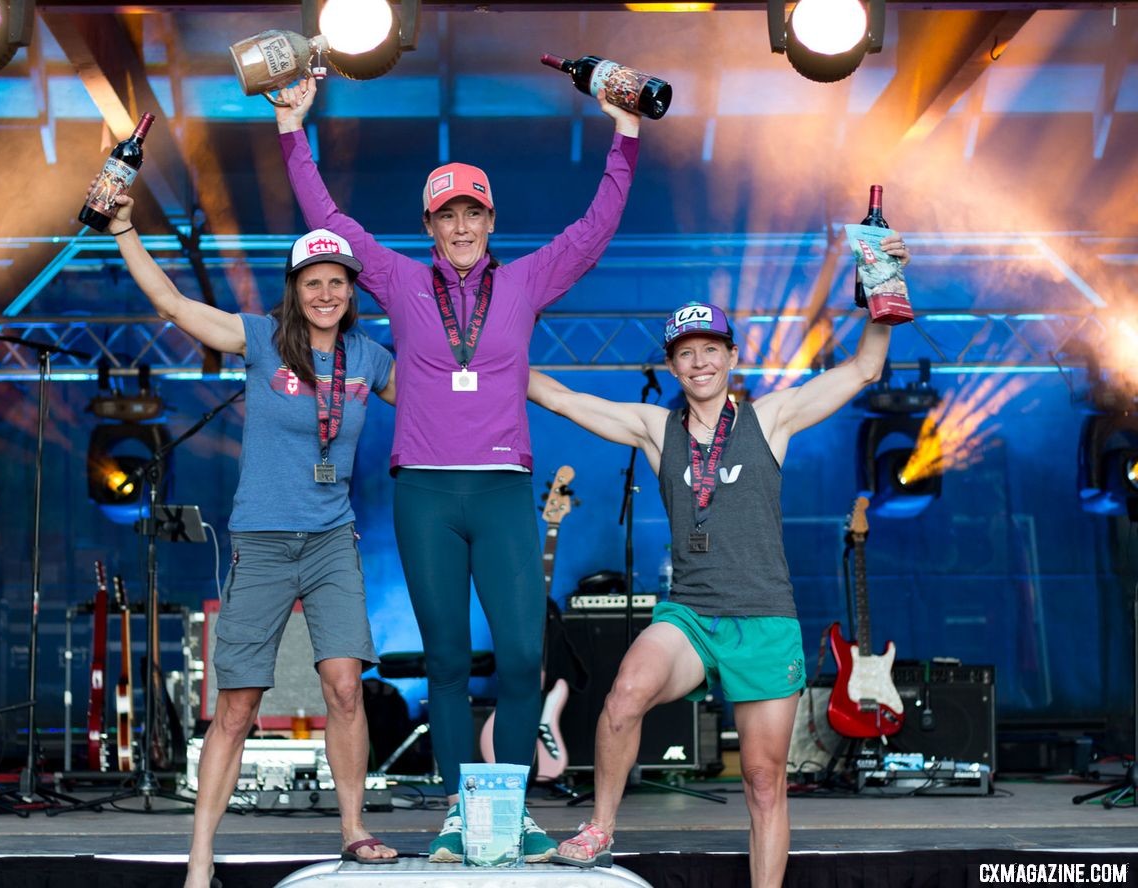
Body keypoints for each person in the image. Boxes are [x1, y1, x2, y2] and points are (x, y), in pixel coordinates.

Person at [273, 79, 642, 861]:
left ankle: (508, 813)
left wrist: (625, 138)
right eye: (449, 214)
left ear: (491, 220)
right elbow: (330, 223)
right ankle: (454, 814)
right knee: (443, 658)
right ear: (429, 226)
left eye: (474, 212)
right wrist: (290, 130)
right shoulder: (402, 281)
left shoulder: (525, 281)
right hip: (427, 491)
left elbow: (593, 231)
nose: (463, 225)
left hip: (505, 489)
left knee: (519, 658)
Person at [527, 234, 910, 887]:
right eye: (685, 353)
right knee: (623, 696)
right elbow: (559, 398)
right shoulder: (656, 428)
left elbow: (865, 369)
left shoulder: (774, 418)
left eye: (710, 349)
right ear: (673, 367)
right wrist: (486, 338)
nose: (698, 361)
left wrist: (885, 282)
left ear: (732, 357)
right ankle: (599, 828)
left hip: (764, 622)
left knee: (764, 784)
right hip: (692, 618)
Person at [97, 190, 399, 887]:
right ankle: (200, 854)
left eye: (337, 283)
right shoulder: (263, 339)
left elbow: (439, 407)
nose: (326, 293)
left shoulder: (370, 358)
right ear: (296, 291)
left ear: (352, 292)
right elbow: (175, 306)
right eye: (313, 282)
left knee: (345, 687)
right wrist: (123, 230)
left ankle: (354, 830)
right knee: (237, 705)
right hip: (262, 541)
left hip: (331, 543)